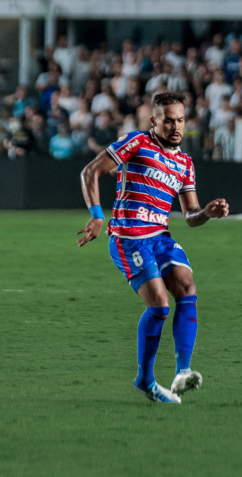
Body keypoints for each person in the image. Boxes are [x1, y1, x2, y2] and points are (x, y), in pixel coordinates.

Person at [77, 92, 229, 404]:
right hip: (128, 237)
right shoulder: (136, 142)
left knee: (187, 288)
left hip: (160, 236)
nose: (176, 126)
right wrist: (96, 216)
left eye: (181, 120)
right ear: (154, 121)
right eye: (169, 120)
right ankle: (145, 379)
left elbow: (190, 215)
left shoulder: (184, 163)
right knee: (159, 305)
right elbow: (90, 171)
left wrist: (208, 214)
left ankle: (182, 372)